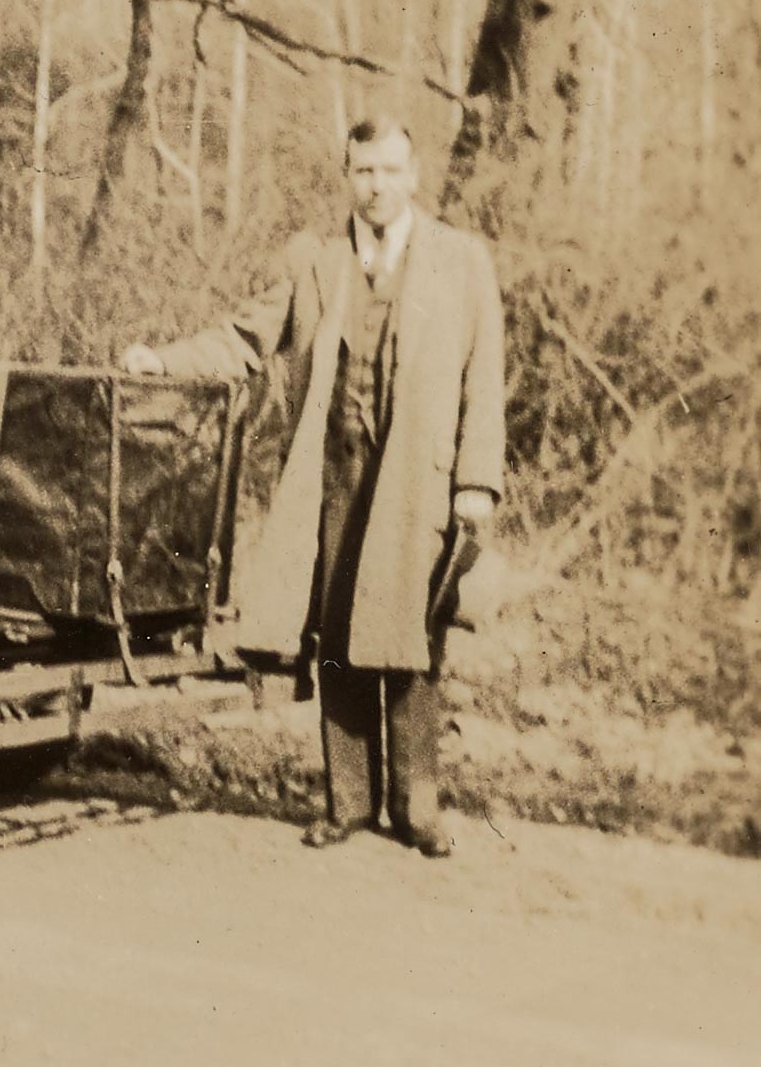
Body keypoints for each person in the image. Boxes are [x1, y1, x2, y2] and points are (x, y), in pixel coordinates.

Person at [123, 117, 505, 857]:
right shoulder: (316, 262)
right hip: (334, 478)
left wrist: (476, 483)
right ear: (346, 175)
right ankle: (349, 803)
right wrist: (161, 362)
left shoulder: (461, 261)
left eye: (391, 171)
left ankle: (416, 807)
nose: (377, 186)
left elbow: (482, 378)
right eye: (364, 171)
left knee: (412, 641)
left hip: (420, 486)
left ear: (413, 175)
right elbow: (242, 338)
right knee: (338, 638)